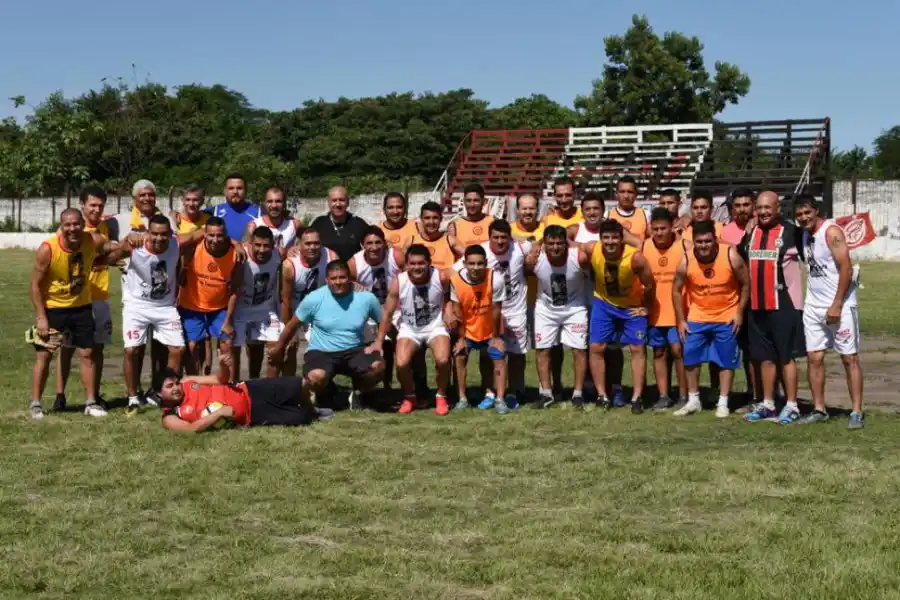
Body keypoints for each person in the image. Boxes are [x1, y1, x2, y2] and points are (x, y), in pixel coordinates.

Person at [28, 208, 129, 419]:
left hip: (82, 307)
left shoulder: (91, 240)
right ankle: (36, 403)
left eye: (76, 224)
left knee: (87, 354)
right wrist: (41, 317)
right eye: (68, 224)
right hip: (53, 307)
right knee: (44, 356)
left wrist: (124, 246)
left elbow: (112, 248)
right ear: (61, 226)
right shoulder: (48, 249)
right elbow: (34, 286)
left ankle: (90, 402)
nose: (72, 228)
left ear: (83, 225)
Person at [119, 215, 205, 412]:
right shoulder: (135, 246)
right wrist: (124, 243)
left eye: (164, 234)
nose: (159, 238)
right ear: (148, 233)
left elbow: (202, 232)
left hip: (165, 307)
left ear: (170, 234)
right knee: (132, 350)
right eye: (155, 234)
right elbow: (110, 255)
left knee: (178, 349)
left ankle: (165, 393)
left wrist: (237, 243)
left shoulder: (176, 243)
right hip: (136, 305)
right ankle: (133, 397)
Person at [269, 260, 385, 406]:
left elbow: (383, 321)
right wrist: (278, 348)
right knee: (316, 377)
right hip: (322, 352)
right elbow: (291, 326)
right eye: (333, 278)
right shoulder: (314, 298)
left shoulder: (366, 298)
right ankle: (329, 391)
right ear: (327, 280)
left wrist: (379, 341)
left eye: (342, 277)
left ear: (349, 278)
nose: (338, 282)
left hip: (354, 350)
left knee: (377, 367)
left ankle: (358, 394)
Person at [794, 195, 864, 429]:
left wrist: (836, 303)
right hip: (814, 305)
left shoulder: (831, 232)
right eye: (799, 213)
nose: (803, 217)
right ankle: (819, 409)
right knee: (814, 358)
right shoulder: (803, 234)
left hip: (840, 304)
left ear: (816, 211)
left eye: (807, 212)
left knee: (848, 358)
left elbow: (846, 267)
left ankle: (856, 411)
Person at [740, 191, 807, 424]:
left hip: (784, 305)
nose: (764, 212)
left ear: (778, 208)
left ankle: (791, 405)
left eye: (769, 207)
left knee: (786, 357)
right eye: (760, 208)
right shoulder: (751, 232)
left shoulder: (792, 233)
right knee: (764, 358)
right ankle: (768, 403)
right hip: (757, 306)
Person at [671, 220, 750, 417]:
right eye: (699, 242)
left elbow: (746, 284)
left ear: (715, 240)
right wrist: (680, 319)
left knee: (725, 361)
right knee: (690, 358)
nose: (704, 245)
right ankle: (693, 400)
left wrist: (739, 312)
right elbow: (675, 290)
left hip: (726, 316)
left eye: (707, 241)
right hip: (698, 316)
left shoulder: (730, 255)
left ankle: (723, 402)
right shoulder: (686, 260)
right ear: (694, 242)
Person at [581, 219, 655, 412]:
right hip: (604, 304)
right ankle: (602, 396)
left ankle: (637, 398)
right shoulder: (591, 249)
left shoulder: (635, 258)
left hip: (631, 307)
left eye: (615, 237)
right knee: (596, 347)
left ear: (622, 239)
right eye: (606, 237)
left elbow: (649, 284)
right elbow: (580, 254)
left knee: (637, 349)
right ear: (600, 238)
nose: (611, 241)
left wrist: (646, 307)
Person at [157, 355, 332, 432]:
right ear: (158, 393)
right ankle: (309, 413)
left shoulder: (188, 381)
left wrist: (224, 367)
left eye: (176, 383)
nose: (176, 388)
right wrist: (218, 414)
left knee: (298, 383)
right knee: (301, 419)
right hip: (251, 415)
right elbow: (190, 429)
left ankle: (313, 408)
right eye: (169, 386)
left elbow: (219, 380)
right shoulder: (170, 417)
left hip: (249, 389)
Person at [375, 244, 453, 415]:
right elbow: (387, 313)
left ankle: (441, 396)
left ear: (429, 263)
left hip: (435, 326)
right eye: (413, 263)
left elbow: (449, 296)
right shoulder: (399, 281)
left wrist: (448, 308)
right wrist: (379, 342)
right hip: (409, 328)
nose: (417, 267)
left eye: (421, 263)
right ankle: (410, 397)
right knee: (401, 363)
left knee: (443, 360)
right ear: (406, 264)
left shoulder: (440, 277)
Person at [55, 186, 114, 412]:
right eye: (92, 205)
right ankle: (60, 395)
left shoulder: (106, 227)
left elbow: (111, 252)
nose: (96, 210)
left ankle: (94, 395)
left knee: (96, 349)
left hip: (100, 296)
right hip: (75, 299)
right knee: (67, 347)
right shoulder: (73, 228)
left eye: (100, 205)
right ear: (82, 205)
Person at [527, 225, 589, 408]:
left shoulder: (578, 256)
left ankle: (577, 393)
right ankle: (546, 394)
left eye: (560, 243)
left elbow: (595, 248)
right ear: (544, 244)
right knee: (542, 349)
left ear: (566, 244)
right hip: (546, 309)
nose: (555, 247)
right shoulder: (535, 259)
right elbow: (516, 242)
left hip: (575, 308)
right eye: (551, 243)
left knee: (579, 349)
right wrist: (535, 244)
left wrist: (573, 244)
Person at [178, 216, 242, 377]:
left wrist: (228, 321)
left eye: (219, 235)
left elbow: (235, 290)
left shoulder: (235, 254)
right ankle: (196, 382)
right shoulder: (194, 248)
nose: (215, 239)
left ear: (226, 235)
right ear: (204, 234)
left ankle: (228, 385)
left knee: (227, 342)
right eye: (211, 235)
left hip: (218, 308)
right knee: (192, 346)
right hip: (192, 305)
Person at [475, 220, 528, 408]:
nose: (499, 241)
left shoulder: (520, 248)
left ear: (510, 237)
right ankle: (489, 391)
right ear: (488, 237)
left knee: (516, 354)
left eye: (504, 237)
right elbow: (456, 270)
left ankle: (514, 391)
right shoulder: (480, 251)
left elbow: (539, 243)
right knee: (487, 353)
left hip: (516, 310)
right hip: (488, 311)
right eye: (495, 237)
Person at [450, 245, 508, 413]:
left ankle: (499, 399)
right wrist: (461, 339)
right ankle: (462, 398)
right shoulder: (456, 280)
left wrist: (496, 337)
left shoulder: (495, 278)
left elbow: (496, 311)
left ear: (486, 263)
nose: (476, 268)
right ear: (465, 263)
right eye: (472, 263)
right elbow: (457, 311)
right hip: (467, 330)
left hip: (490, 329)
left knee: (498, 356)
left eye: (480, 263)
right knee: (459, 355)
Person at [348, 226, 405, 391]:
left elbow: (408, 275)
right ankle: (361, 389)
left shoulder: (396, 255)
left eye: (378, 242)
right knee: (366, 349)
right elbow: (344, 282)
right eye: (369, 243)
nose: (374, 247)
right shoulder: (354, 263)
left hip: (395, 308)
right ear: (362, 245)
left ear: (385, 243)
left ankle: (391, 386)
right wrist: (354, 285)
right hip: (368, 312)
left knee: (394, 347)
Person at [642, 208, 688, 411]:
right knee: (659, 352)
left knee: (679, 352)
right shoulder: (645, 246)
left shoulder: (684, 247)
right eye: (655, 229)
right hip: (655, 312)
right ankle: (663, 395)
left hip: (678, 311)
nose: (659, 233)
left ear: (672, 228)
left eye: (664, 228)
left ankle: (685, 395)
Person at [279, 228, 336, 376]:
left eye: (316, 243)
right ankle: (289, 386)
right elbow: (285, 298)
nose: (312, 247)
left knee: (323, 350)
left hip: (319, 310)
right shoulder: (289, 265)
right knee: (289, 349)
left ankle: (319, 386)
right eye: (308, 243)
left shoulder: (331, 257)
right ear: (299, 245)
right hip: (295, 308)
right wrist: (289, 330)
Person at [232, 226, 283, 380]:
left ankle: (268, 387)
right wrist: (235, 243)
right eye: (258, 245)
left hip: (265, 308)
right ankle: (233, 386)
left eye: (266, 245)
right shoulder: (241, 255)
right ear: (250, 244)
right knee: (234, 347)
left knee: (275, 348)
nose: (261, 250)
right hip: (241, 307)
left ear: (273, 245)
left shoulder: (279, 255)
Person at [309, 185, 369, 262]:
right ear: (329, 203)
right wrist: (295, 248)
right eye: (334, 200)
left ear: (348, 202)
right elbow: (306, 243)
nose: (338, 204)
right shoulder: (319, 223)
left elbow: (373, 241)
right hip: (325, 272)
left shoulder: (358, 223)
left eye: (342, 200)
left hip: (351, 272)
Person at [247, 185, 301, 255]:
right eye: (270, 201)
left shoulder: (294, 224)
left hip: (286, 265)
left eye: (278, 201)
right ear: (264, 203)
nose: (274, 205)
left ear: (284, 204)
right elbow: (246, 250)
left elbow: (311, 239)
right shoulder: (254, 226)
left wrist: (297, 247)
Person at [206, 173, 261, 241]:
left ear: (246, 190)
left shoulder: (258, 213)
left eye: (239, 188)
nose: (235, 192)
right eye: (231, 188)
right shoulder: (213, 212)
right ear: (225, 191)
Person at [409, 201, 459, 270]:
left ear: (441, 219)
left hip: (445, 280)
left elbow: (470, 258)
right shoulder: (411, 241)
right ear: (421, 219)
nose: (431, 222)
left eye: (435, 218)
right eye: (427, 218)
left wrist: (453, 271)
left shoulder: (450, 240)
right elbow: (402, 265)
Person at [448, 182, 494, 249]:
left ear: (483, 201)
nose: (472, 205)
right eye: (468, 200)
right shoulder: (454, 225)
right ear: (464, 201)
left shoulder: (493, 222)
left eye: (476, 200)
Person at [605, 176, 650, 241]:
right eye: (622, 192)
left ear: (636, 194)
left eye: (630, 192)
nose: (626, 196)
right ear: (616, 194)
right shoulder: (607, 215)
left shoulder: (646, 215)